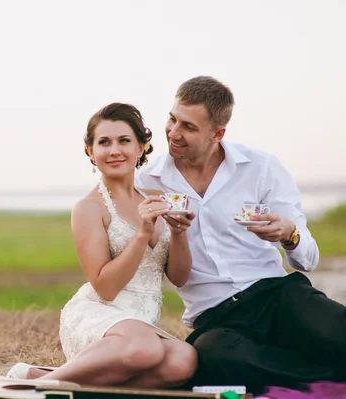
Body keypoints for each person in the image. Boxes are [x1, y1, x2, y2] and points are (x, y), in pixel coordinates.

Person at [135, 76, 346, 394]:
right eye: (172, 119)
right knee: (214, 356)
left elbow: (310, 259)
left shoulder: (261, 168)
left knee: (335, 330)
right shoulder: (148, 181)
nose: (174, 133)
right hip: (215, 317)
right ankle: (326, 378)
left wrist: (289, 235)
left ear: (217, 134)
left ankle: (309, 373)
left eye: (189, 127)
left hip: (277, 296)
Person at [6, 102, 198, 388]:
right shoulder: (89, 207)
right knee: (145, 349)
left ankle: (48, 377)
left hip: (142, 324)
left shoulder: (157, 197)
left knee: (184, 360)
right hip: (100, 316)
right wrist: (143, 233)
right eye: (103, 142)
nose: (114, 150)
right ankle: (31, 388)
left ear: (142, 147)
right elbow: (105, 287)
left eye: (124, 140)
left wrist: (179, 234)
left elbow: (179, 277)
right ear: (90, 151)